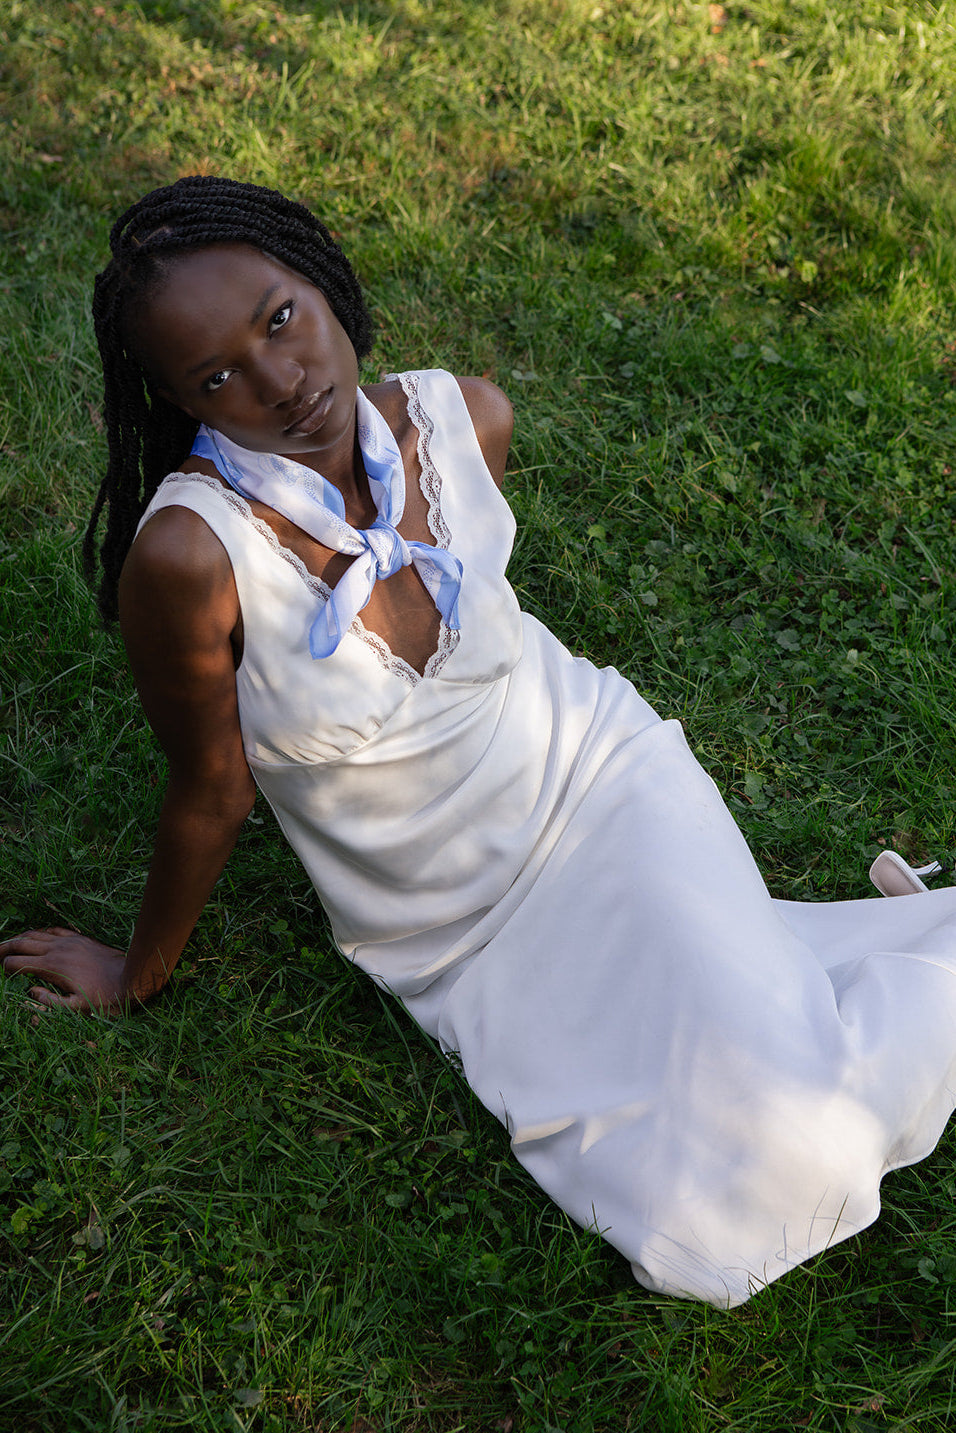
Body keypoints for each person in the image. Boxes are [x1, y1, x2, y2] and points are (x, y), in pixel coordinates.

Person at [3, 174, 956, 1308]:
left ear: (318, 278)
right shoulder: (189, 558)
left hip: (598, 780)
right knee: (726, 1219)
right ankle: (916, 941)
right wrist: (134, 969)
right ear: (174, 397)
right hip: (451, 927)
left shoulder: (466, 415)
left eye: (279, 318)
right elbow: (211, 788)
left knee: (805, 1144)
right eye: (219, 376)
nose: (281, 379)